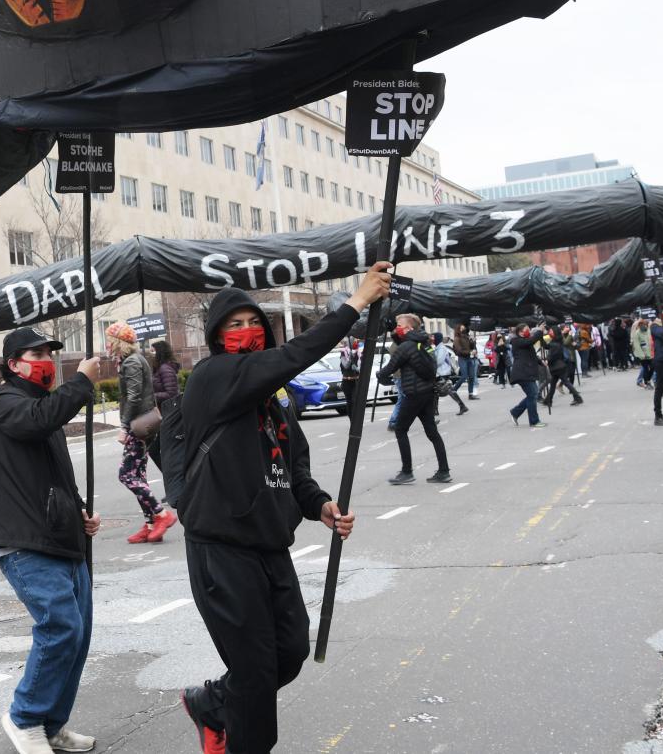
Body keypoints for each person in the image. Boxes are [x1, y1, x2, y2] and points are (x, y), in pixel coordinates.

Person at [178, 262, 389, 754]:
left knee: (290, 654)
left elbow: (294, 471)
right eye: (234, 324)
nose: (247, 331)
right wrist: (355, 303)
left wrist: (321, 507)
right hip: (222, 551)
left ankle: (212, 703)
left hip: (270, 549)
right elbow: (294, 355)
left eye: (254, 322)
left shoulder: (275, 399)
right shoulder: (212, 379)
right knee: (255, 680)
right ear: (215, 336)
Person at [0, 327, 102, 754]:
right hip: (24, 539)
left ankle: (51, 724)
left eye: (51, 352)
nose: (47, 359)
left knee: (78, 633)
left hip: (61, 537)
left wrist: (80, 511)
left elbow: (54, 477)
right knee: (60, 627)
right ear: (13, 364)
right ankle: (24, 717)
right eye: (37, 353)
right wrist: (81, 382)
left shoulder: (41, 408)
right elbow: (37, 422)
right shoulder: (4, 402)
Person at [107, 321, 176, 545]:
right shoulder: (133, 361)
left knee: (127, 475)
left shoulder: (131, 363)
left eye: (109, 339)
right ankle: (149, 524)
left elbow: (135, 396)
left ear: (118, 342)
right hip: (144, 422)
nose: (107, 344)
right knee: (139, 477)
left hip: (139, 425)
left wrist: (124, 427)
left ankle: (161, 515)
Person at [378, 317, 453, 485]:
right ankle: (444, 471)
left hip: (413, 394)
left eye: (399, 326)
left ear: (408, 328)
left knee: (400, 429)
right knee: (432, 432)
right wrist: (391, 331)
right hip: (428, 392)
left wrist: (380, 376)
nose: (397, 329)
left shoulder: (406, 347)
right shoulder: (424, 342)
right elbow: (402, 343)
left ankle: (407, 472)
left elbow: (391, 366)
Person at [507, 325, 546, 428]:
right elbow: (532, 340)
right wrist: (539, 331)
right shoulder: (516, 341)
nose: (529, 331)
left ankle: (515, 412)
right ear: (520, 332)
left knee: (532, 395)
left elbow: (532, 354)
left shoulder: (525, 341)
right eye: (527, 330)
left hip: (528, 372)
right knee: (533, 394)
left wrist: (541, 362)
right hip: (522, 373)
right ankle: (534, 421)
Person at [541, 327, 583, 408]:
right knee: (554, 384)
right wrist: (541, 335)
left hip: (557, 367)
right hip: (559, 366)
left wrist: (547, 360)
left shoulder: (555, 344)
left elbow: (551, 355)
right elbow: (546, 346)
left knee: (565, 383)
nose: (550, 332)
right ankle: (548, 400)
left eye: (551, 331)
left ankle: (577, 397)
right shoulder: (557, 342)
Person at [431, 332, 469, 417]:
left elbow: (439, 361)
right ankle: (461, 406)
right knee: (437, 391)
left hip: (442, 372)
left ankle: (462, 406)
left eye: (433, 337)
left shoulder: (441, 348)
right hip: (440, 372)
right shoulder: (438, 348)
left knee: (443, 390)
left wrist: (431, 362)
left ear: (437, 338)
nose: (432, 339)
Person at [151, 340, 181, 410]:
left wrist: (152, 396)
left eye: (153, 351)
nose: (151, 354)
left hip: (167, 410)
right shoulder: (160, 368)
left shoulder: (165, 369)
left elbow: (171, 394)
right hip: (163, 408)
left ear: (160, 352)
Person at [451, 324, 479, 399]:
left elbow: (472, 347)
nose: (464, 329)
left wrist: (472, 341)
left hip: (469, 358)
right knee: (464, 376)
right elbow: (459, 350)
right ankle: (454, 389)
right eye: (462, 328)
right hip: (462, 359)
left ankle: (470, 394)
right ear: (458, 329)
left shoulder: (466, 337)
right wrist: (470, 352)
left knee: (472, 376)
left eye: (464, 327)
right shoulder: (457, 338)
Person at [632, 318, 655, 388]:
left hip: (650, 353)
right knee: (645, 369)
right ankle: (647, 382)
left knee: (653, 367)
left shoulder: (649, 331)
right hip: (642, 355)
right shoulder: (637, 333)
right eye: (641, 325)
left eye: (644, 325)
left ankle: (647, 380)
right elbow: (636, 345)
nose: (643, 326)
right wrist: (642, 355)